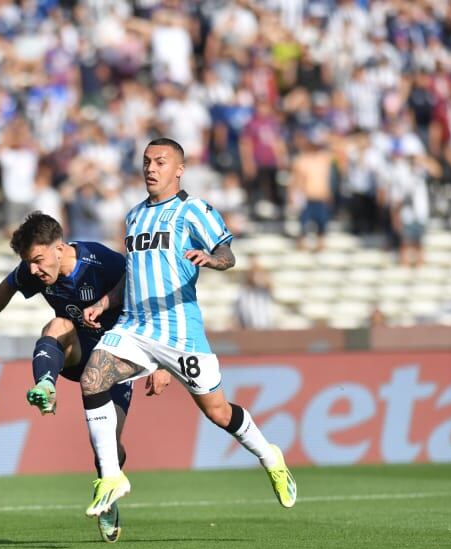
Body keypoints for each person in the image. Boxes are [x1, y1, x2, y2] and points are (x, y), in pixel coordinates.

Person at [79, 138, 297, 520]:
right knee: (92, 378)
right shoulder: (133, 216)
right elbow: (134, 274)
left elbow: (228, 254)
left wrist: (213, 260)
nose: (150, 168)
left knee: (217, 412)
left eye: (160, 162)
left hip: (180, 333)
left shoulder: (193, 210)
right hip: (134, 326)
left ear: (179, 169)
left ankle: (269, 455)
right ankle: (111, 478)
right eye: (146, 161)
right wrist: (105, 302)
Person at [0, 211, 171, 543]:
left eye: (38, 260)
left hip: (115, 360)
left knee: (107, 445)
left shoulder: (101, 262)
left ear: (60, 247)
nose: (33, 270)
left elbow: (147, 298)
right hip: (76, 351)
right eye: (29, 263)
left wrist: (162, 362)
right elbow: (6, 287)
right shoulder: (34, 271)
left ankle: (108, 489)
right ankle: (46, 386)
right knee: (57, 326)